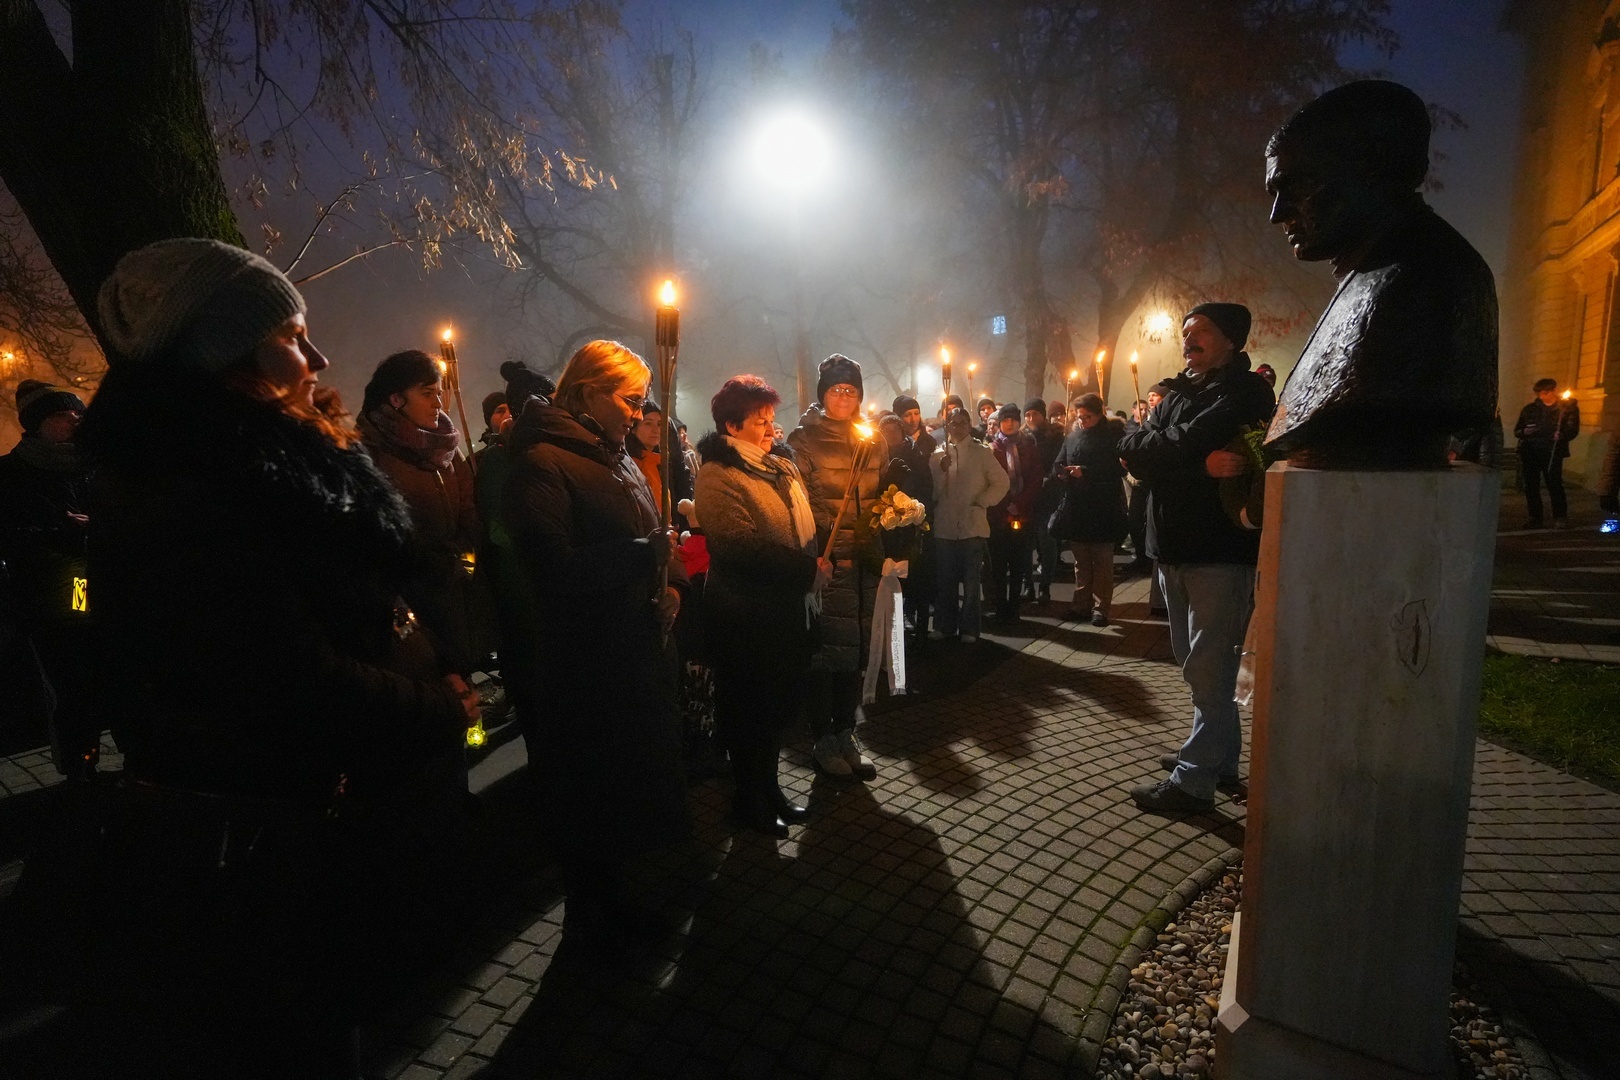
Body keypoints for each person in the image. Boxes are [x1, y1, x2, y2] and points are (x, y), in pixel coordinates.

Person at [47, 238, 479, 1076]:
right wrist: (433, 707)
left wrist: (434, 656)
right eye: (291, 335)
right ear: (228, 353)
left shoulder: (272, 457)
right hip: (269, 840)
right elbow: (281, 670)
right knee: (295, 1031)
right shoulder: (196, 486)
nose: (318, 357)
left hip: (322, 816)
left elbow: (370, 601)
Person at [502, 338, 690, 939]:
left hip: (636, 650)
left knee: (631, 789)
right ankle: (595, 923)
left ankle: (628, 899)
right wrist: (641, 556)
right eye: (630, 399)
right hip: (589, 664)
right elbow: (553, 570)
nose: (639, 413)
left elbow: (656, 536)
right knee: (596, 798)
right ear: (588, 393)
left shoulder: (618, 456)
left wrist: (672, 587)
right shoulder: (541, 461)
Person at [1118, 303, 1275, 813]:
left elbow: (1181, 441)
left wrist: (1165, 455)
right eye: (1185, 332)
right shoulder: (1175, 391)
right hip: (1172, 546)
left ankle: (1194, 781)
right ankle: (1220, 759)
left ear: (1230, 340)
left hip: (1218, 550)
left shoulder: (1246, 391)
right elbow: (1132, 447)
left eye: (1201, 330)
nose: (1188, 339)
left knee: (1210, 667)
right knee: (1195, 663)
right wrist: (1196, 466)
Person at [693, 376, 830, 836]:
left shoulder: (779, 468)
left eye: (772, 419)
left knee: (775, 710)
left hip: (784, 611)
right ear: (732, 425)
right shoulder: (718, 474)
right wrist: (806, 570)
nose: (771, 429)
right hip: (745, 615)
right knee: (749, 711)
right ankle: (748, 799)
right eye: (760, 421)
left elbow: (798, 526)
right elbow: (737, 545)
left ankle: (769, 789)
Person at [788, 354, 886, 780]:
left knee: (856, 652)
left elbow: (880, 496)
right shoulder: (804, 439)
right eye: (836, 389)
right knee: (826, 653)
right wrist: (824, 532)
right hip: (829, 562)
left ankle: (847, 732)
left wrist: (895, 511)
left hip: (865, 562)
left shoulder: (872, 439)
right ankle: (822, 737)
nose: (844, 397)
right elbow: (798, 500)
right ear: (823, 394)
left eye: (851, 390)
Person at [359, 350, 485, 674]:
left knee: (463, 673)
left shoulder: (446, 448)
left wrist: (463, 556)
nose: (438, 404)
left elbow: (469, 506)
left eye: (439, 393)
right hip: (410, 599)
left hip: (455, 585)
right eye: (427, 394)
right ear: (396, 399)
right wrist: (427, 561)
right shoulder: (369, 454)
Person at [0, 381, 96, 776]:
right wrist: (66, 532)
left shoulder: (95, 466)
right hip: (60, 591)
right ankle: (80, 766)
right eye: (61, 415)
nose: (74, 420)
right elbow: (12, 536)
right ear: (36, 424)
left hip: (106, 582)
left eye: (78, 414)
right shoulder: (11, 474)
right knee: (72, 679)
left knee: (112, 675)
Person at [475, 361, 554, 752]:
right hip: (520, 591)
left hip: (551, 595)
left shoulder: (547, 451)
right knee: (534, 687)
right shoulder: (496, 460)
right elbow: (498, 528)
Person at [929, 407, 1009, 643]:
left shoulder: (981, 453)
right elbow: (933, 493)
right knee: (945, 581)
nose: (958, 428)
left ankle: (970, 628)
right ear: (947, 426)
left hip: (972, 526)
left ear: (969, 425)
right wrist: (940, 472)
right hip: (945, 526)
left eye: (963, 423)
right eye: (954, 423)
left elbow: (1001, 482)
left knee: (972, 583)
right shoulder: (937, 455)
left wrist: (982, 501)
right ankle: (944, 625)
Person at [1051, 394, 1128, 627]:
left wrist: (1085, 471)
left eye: (1087, 417)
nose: (1082, 421)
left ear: (1099, 414)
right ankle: (1081, 604)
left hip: (1103, 507)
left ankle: (1101, 608)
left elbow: (1118, 469)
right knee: (1081, 562)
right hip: (1077, 507)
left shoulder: (1112, 436)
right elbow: (1060, 459)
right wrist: (1061, 472)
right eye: (1079, 417)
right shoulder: (1073, 436)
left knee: (1102, 562)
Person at [987, 403, 1042, 622]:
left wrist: (1020, 503)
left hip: (1023, 513)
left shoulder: (1029, 446)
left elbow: (1036, 478)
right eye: (1005, 420)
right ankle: (1001, 605)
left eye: (1013, 420)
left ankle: (1014, 606)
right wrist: (1005, 503)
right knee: (999, 563)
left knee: (1019, 561)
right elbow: (989, 480)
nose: (1009, 424)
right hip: (999, 514)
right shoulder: (992, 449)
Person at [1513, 378, 1580, 529]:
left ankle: (1560, 517)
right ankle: (1535, 517)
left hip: (1552, 452)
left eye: (1545, 393)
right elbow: (1517, 430)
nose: (1542, 397)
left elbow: (1573, 429)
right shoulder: (1530, 409)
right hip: (1530, 451)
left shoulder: (1567, 409)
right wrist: (1524, 431)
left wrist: (1562, 435)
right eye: (1539, 394)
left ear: (1554, 391)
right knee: (1531, 486)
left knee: (1554, 484)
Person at [1024, 398, 1064, 604]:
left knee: (1047, 541)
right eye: (1027, 414)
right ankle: (1028, 585)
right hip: (1027, 498)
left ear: (1043, 415)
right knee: (1025, 544)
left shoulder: (1055, 436)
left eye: (1035, 414)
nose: (1031, 418)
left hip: (1047, 497)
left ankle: (1045, 586)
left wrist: (1047, 480)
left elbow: (1059, 463)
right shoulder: (1022, 438)